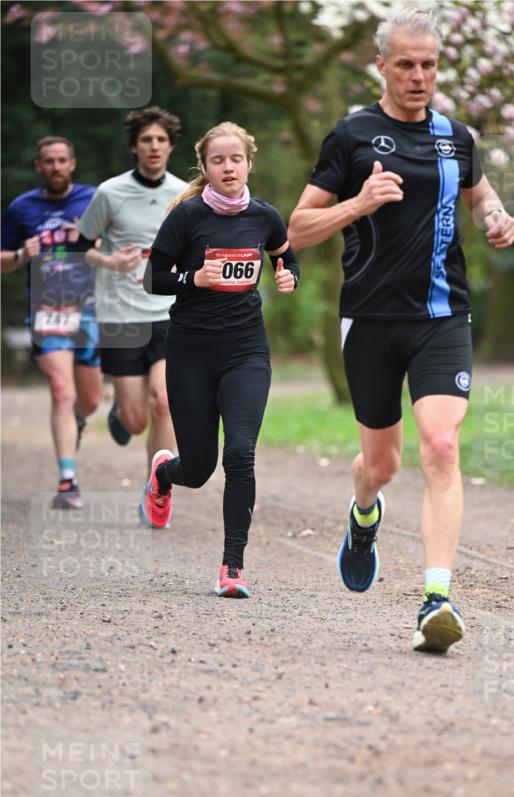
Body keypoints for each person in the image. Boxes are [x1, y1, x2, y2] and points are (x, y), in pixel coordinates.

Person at [288, 8, 514, 653]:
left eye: (429, 65)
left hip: (442, 316)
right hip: (370, 319)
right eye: (407, 65)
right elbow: (295, 229)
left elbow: (481, 196)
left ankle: (436, 598)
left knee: (441, 446)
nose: (419, 77)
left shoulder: (456, 137)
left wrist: (497, 217)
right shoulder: (351, 135)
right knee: (382, 465)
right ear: (381, 65)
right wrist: (358, 203)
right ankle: (364, 515)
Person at [141, 121, 299, 598]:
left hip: (246, 350)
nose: (228, 167)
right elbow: (153, 278)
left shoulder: (265, 216)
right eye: (218, 161)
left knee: (240, 454)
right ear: (205, 167)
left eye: (236, 159)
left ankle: (232, 567)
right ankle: (164, 474)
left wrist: (289, 275)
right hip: (190, 351)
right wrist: (194, 279)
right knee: (198, 469)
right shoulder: (187, 217)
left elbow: (286, 256)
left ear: (249, 163)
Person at [75, 107, 187, 509]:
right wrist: (109, 261)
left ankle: (156, 491)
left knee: (165, 401)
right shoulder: (110, 193)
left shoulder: (184, 193)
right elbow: (80, 246)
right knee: (137, 420)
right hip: (121, 315)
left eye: (161, 139)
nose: (154, 146)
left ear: (170, 146)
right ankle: (121, 413)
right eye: (146, 140)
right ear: (134, 147)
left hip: (169, 312)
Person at [1, 136, 102, 509]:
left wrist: (90, 241)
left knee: (90, 400)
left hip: (88, 308)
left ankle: (78, 420)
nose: (56, 167)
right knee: (61, 389)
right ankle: (67, 482)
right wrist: (19, 254)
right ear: (39, 166)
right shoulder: (21, 208)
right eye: (49, 161)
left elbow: (114, 246)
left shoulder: (94, 199)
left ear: (72, 164)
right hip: (45, 308)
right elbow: (2, 259)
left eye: (62, 160)